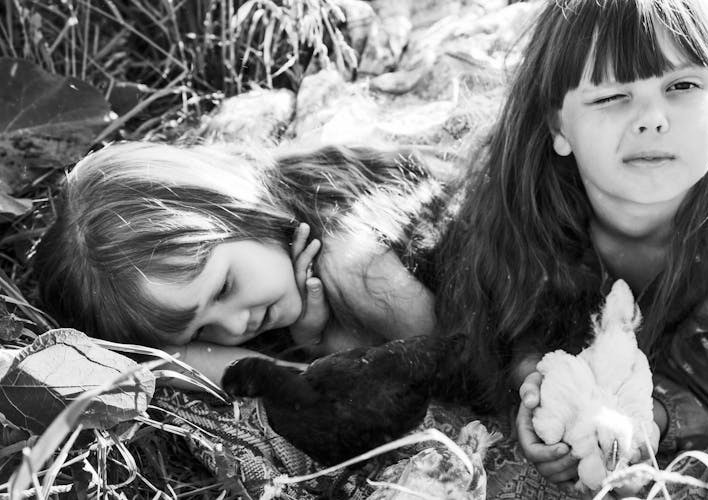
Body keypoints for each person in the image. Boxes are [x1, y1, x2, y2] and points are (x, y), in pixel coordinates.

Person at [432, 0, 708, 487]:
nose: (652, 119)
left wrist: (644, 425)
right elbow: (519, 325)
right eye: (611, 96)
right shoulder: (520, 215)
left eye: (682, 85)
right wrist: (538, 390)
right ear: (559, 126)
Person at [34, 141, 450, 385]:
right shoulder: (271, 243)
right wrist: (312, 341)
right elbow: (169, 361)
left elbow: (453, 365)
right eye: (201, 331)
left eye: (223, 289)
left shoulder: (356, 263)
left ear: (235, 207)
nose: (234, 327)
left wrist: (329, 349)